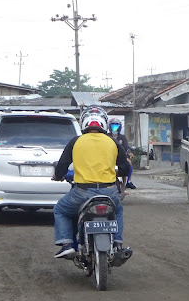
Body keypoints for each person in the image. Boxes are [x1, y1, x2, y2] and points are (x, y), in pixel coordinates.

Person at [51, 107, 131, 259]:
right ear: (104, 124)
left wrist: (58, 176)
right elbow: (125, 168)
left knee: (60, 210)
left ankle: (67, 244)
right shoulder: (113, 142)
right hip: (109, 191)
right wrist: (117, 173)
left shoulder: (76, 141)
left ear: (84, 124)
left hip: (82, 192)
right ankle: (118, 244)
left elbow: (62, 166)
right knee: (118, 210)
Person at [108, 117, 137, 189]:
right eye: (113, 126)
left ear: (119, 127)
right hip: (108, 156)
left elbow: (126, 146)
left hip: (120, 157)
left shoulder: (122, 137)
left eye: (116, 126)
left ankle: (128, 181)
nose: (115, 128)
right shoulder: (107, 136)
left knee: (129, 163)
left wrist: (129, 152)